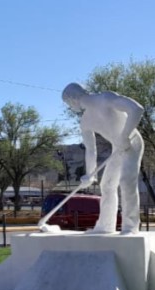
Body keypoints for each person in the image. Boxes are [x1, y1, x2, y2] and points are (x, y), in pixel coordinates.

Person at [62, 82, 145, 234]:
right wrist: (90, 174)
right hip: (117, 149)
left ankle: (130, 227)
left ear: (72, 99)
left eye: (67, 103)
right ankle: (105, 226)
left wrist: (125, 135)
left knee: (126, 181)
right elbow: (91, 149)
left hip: (131, 143)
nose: (70, 107)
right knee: (106, 185)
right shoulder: (85, 121)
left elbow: (136, 109)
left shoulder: (105, 98)